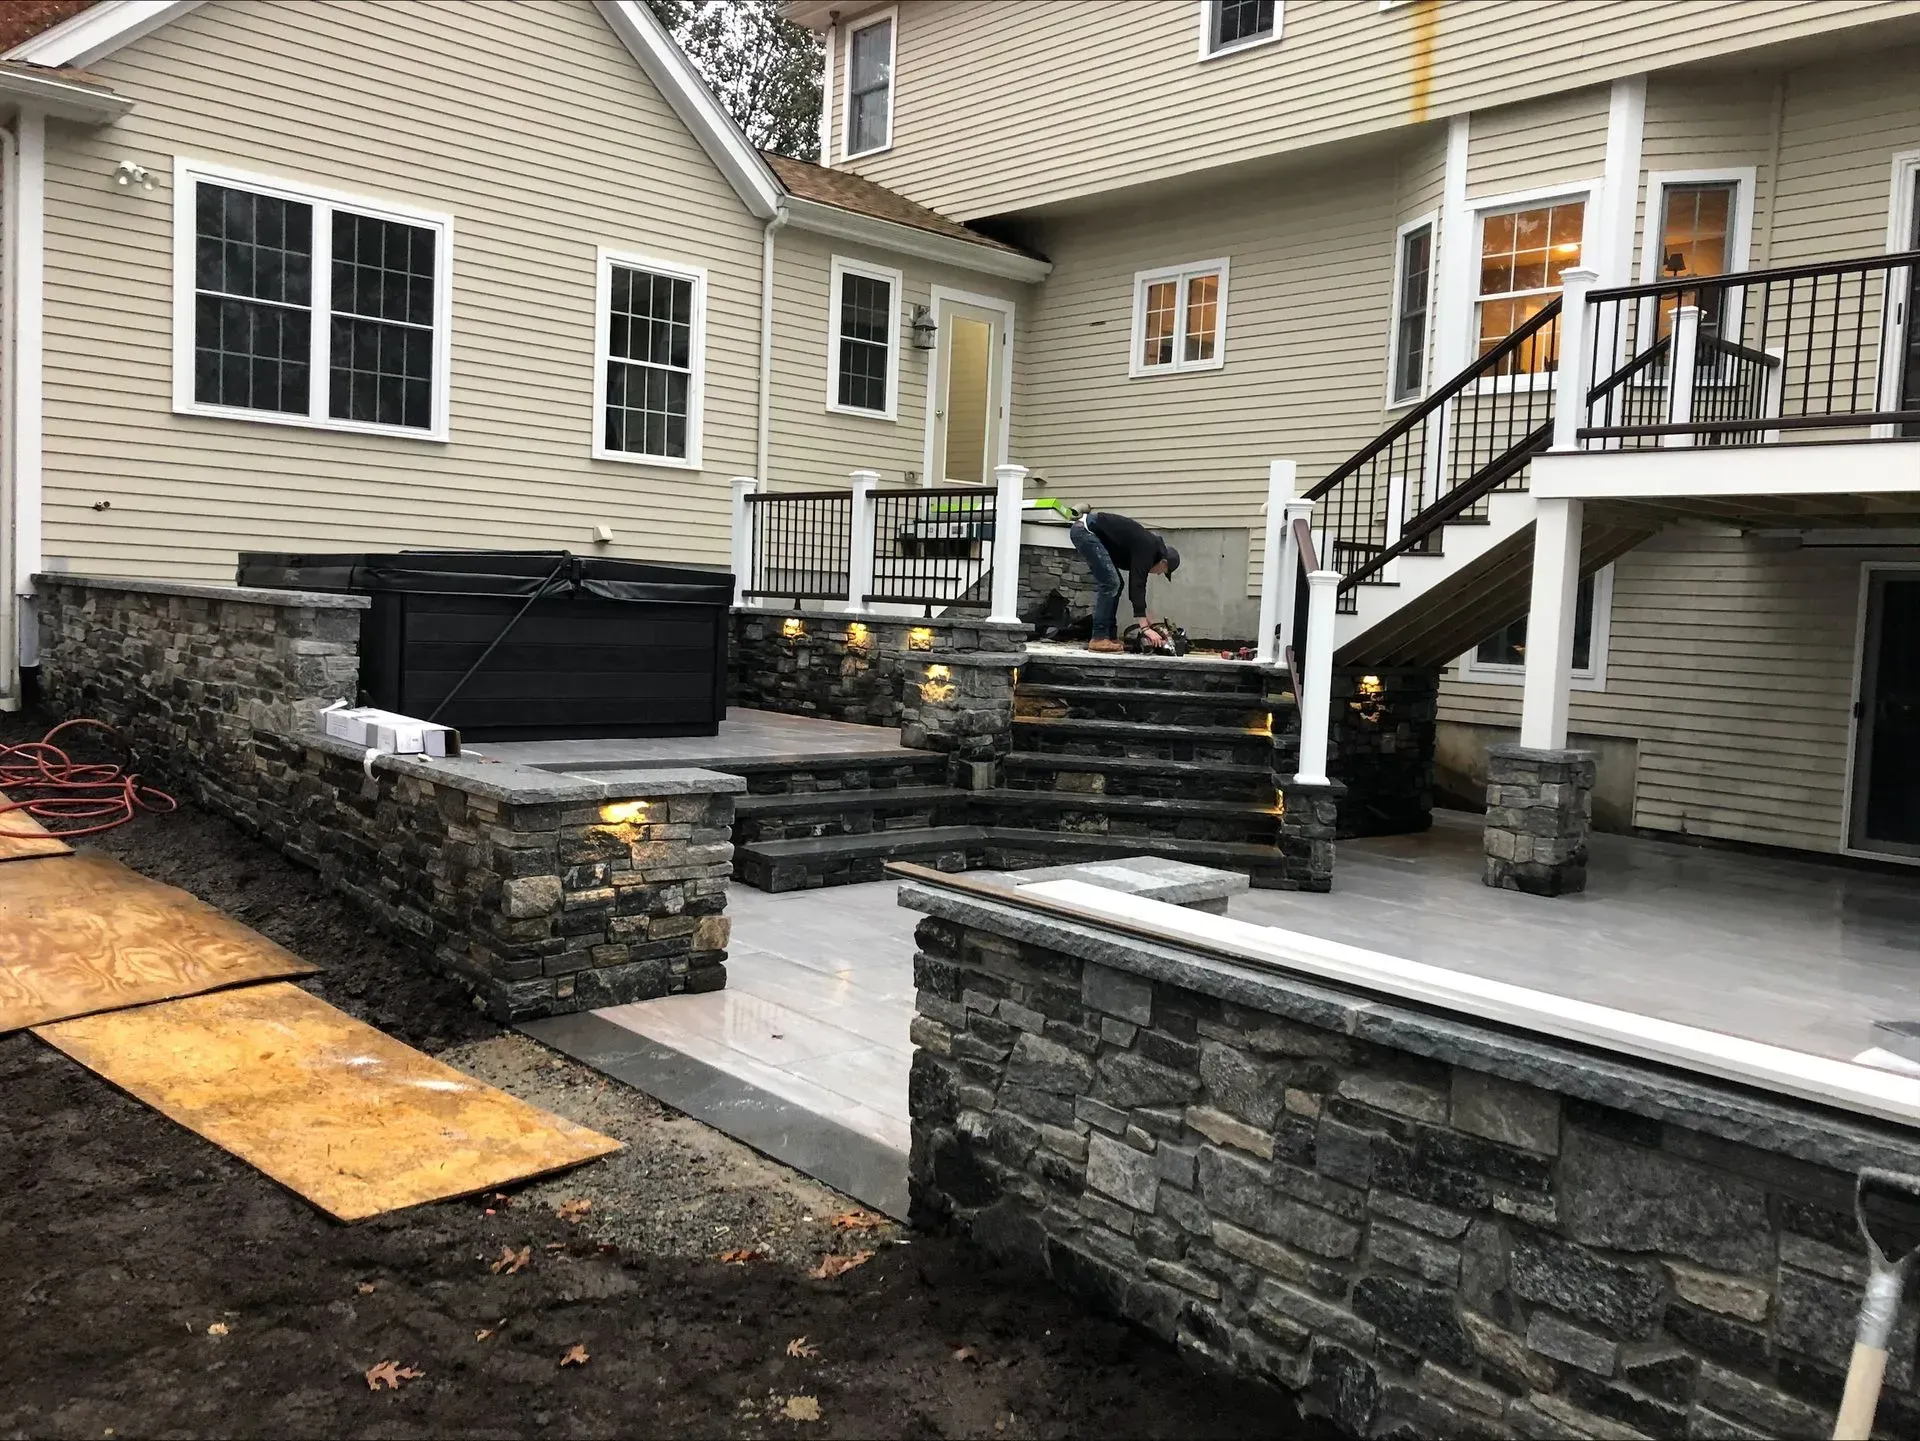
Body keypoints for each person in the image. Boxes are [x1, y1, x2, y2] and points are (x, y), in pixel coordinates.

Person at [1067, 509, 1180, 654]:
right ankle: (1099, 637)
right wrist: (1144, 627)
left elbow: (1137, 585)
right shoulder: (1149, 548)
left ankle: (1109, 636)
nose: (1158, 574)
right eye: (1162, 571)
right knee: (1111, 583)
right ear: (1163, 563)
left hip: (1093, 534)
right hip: (1086, 531)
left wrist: (1144, 615)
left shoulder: (1148, 548)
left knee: (1116, 584)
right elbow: (1137, 585)